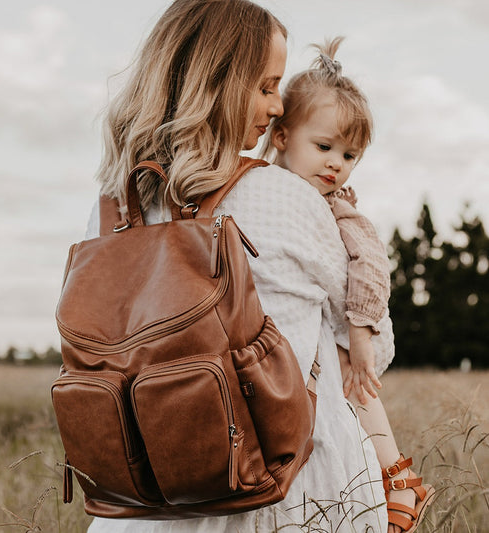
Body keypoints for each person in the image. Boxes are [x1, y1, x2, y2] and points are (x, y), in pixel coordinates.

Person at [83, 0, 396, 531]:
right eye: (267, 86)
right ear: (218, 83)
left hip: (148, 492)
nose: (278, 107)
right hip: (285, 490)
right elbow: (369, 347)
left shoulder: (114, 203)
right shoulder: (289, 197)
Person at [260, 37, 434, 533]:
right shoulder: (267, 191)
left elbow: (372, 266)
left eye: (350, 155)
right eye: (324, 148)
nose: (336, 164)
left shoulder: (340, 209)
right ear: (280, 137)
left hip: (340, 331)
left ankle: (397, 476)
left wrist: (359, 330)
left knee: (355, 375)